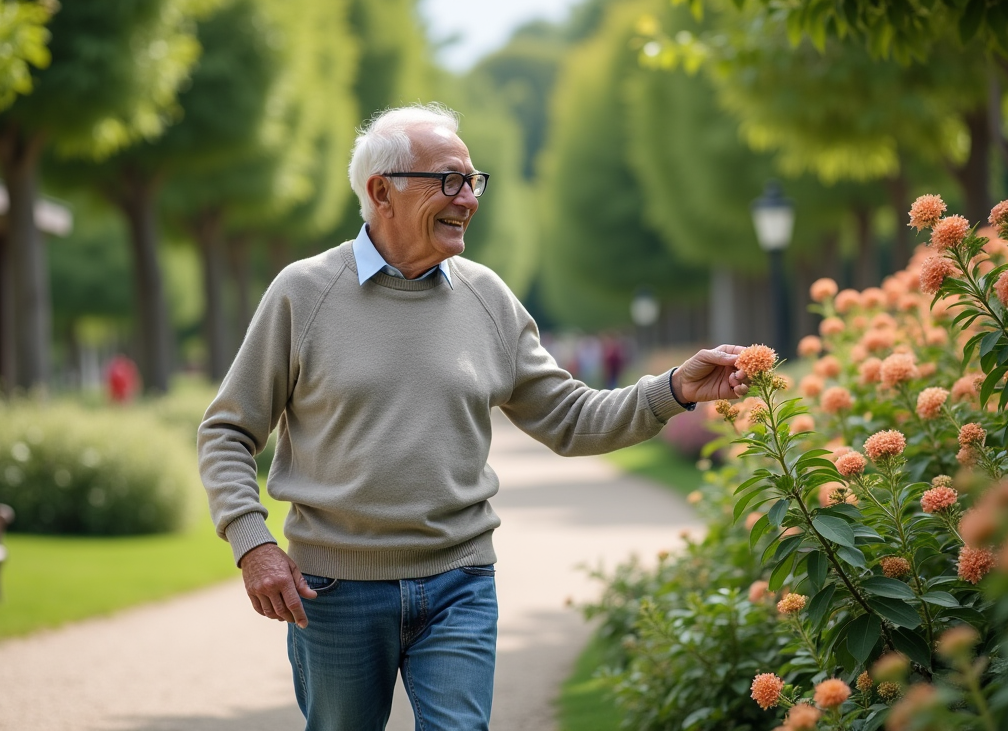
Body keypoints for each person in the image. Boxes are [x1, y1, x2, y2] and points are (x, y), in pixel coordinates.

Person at [197, 104, 749, 731]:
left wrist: (671, 389)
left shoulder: (486, 297)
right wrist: (252, 544)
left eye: (473, 180)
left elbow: (568, 416)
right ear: (382, 191)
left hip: (459, 582)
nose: (469, 199)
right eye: (449, 181)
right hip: (336, 590)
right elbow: (227, 430)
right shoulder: (303, 292)